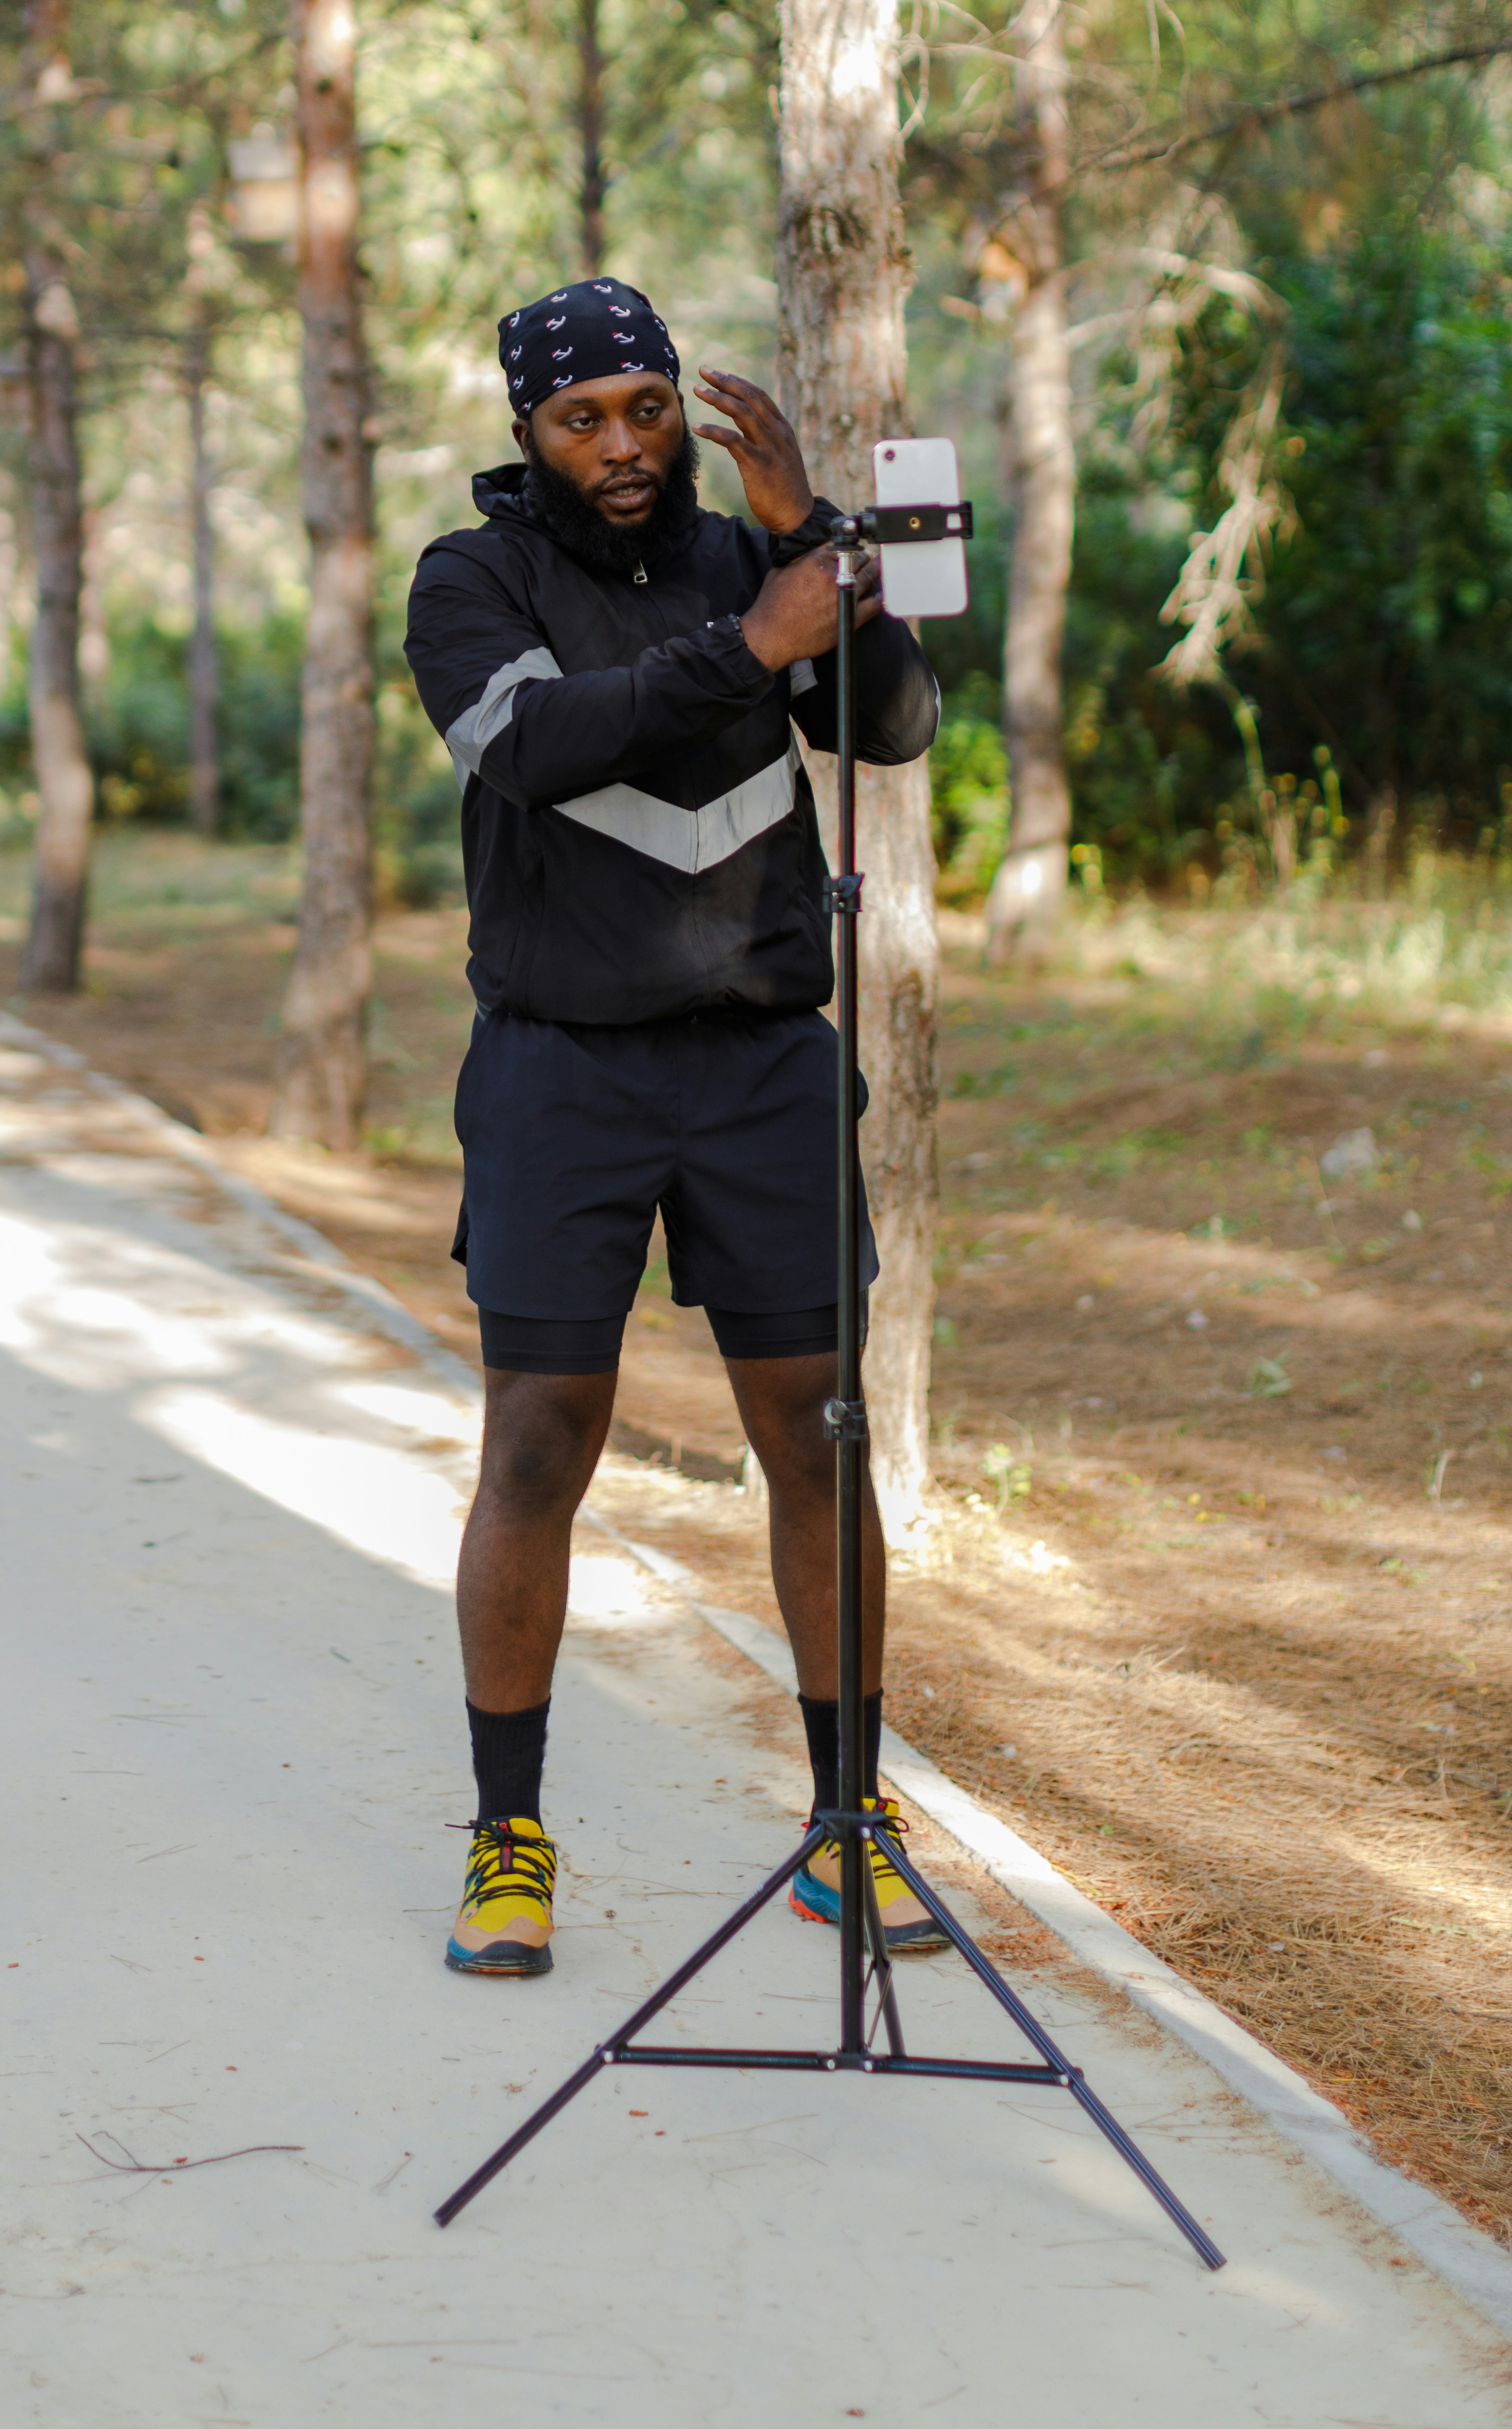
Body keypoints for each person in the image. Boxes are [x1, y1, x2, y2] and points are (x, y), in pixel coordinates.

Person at [404, 277, 942, 1981]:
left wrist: (819, 559)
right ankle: (509, 1837)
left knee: (819, 1434)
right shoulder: (473, 579)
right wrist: (759, 643)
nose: (625, 447)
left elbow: (899, 729)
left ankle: (846, 1828)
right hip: (564, 1070)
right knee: (542, 1444)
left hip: (763, 1068)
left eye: (646, 407)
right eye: (585, 419)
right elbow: (536, 748)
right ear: (528, 432)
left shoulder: (752, 560)